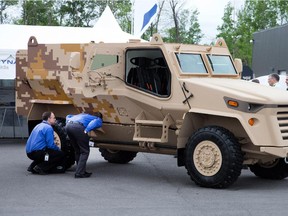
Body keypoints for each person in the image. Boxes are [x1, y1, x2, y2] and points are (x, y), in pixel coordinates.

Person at [65, 112, 103, 178]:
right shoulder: (97, 118)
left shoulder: (82, 115)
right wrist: (87, 130)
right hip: (78, 128)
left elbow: (68, 115)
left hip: (68, 126)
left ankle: (80, 170)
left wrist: (67, 123)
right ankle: (79, 173)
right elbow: (94, 122)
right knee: (85, 151)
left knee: (77, 150)